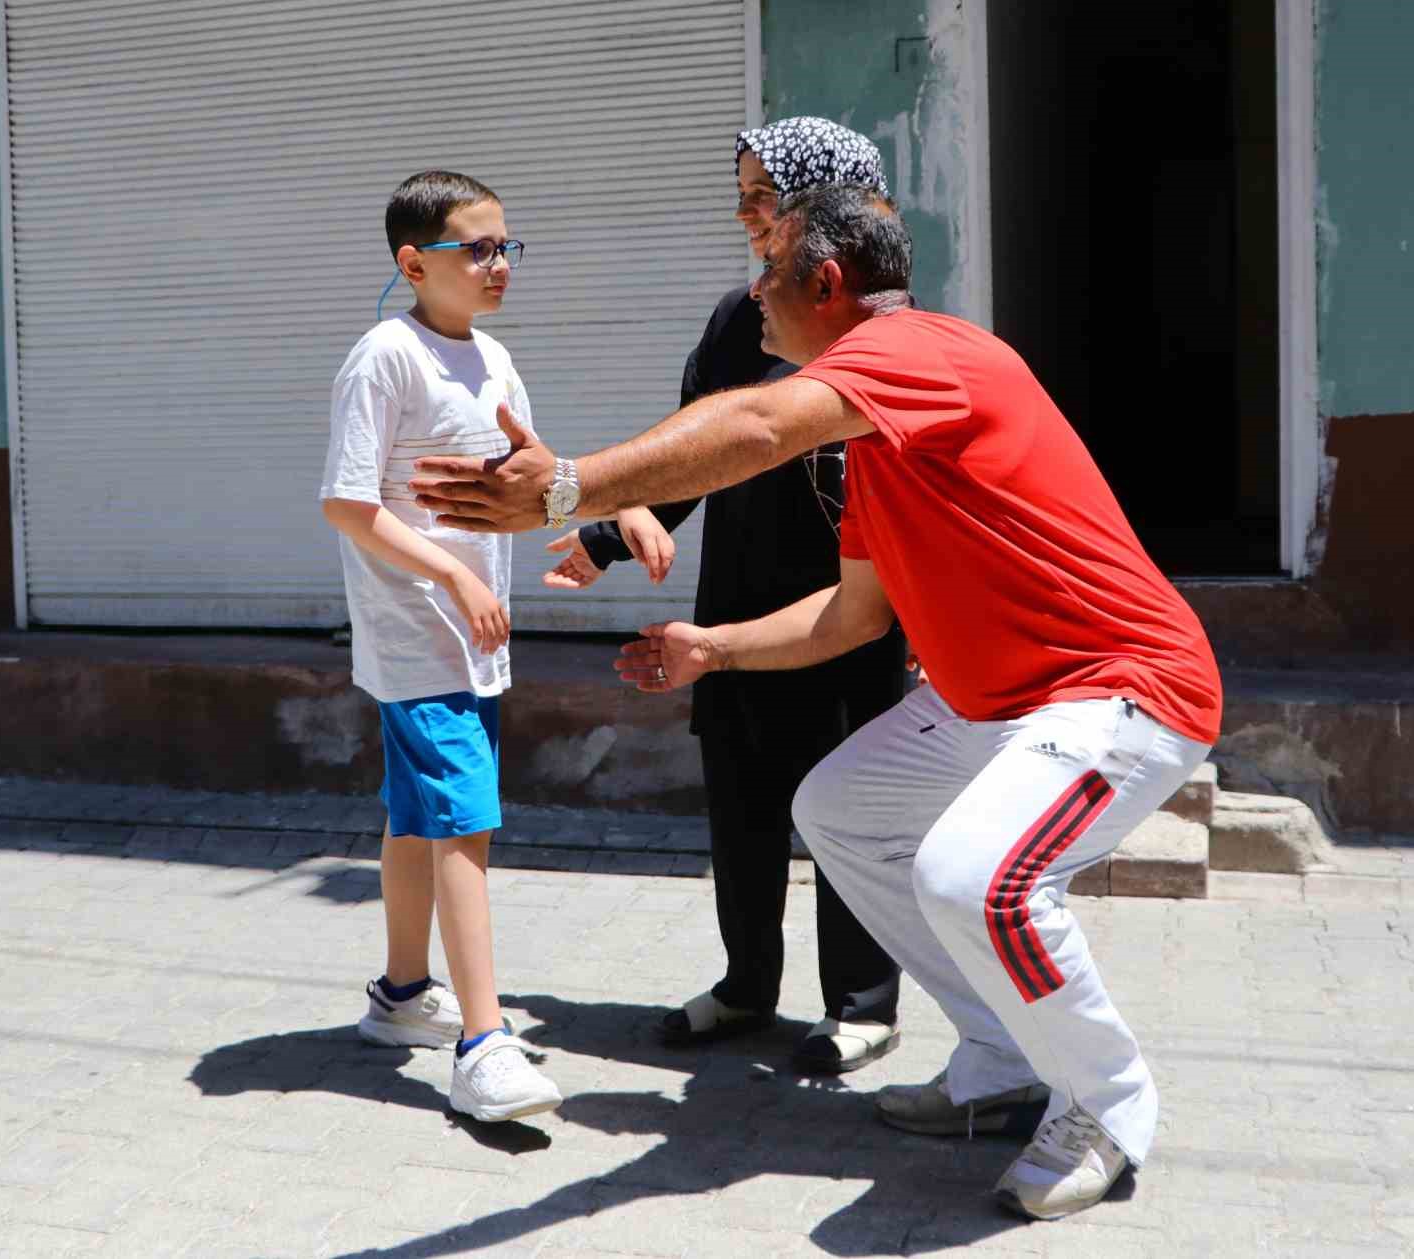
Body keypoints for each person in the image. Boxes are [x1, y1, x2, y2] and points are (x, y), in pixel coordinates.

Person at [406, 184, 1224, 1220]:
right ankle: (1003, 1052)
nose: (751, 290)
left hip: (1125, 689)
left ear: (827, 283)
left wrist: (569, 486)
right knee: (841, 806)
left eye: (769, 266)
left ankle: (1105, 1103)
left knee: (977, 876)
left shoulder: (922, 352)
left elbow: (752, 421)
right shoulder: (884, 444)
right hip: (1001, 702)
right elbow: (850, 618)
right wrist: (712, 648)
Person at [542, 118, 908, 1073]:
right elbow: (692, 453)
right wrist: (604, 535)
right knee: (742, 807)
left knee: (847, 814)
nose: (747, 215)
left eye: (763, 195)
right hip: (737, 604)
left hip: (850, 613)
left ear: (824, 207)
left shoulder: (883, 332)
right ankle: (748, 984)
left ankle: (862, 1001)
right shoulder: (734, 319)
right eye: (742, 196)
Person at [318, 169, 561, 1123]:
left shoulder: (493, 360)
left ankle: (402, 994)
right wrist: (454, 575)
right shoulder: (386, 356)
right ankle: (482, 1044)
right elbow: (347, 502)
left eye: (507, 246)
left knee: (419, 816)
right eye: (478, 249)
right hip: (418, 637)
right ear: (415, 263)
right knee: (465, 820)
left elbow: (536, 475)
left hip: (475, 639)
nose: (498, 264)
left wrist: (610, 521)